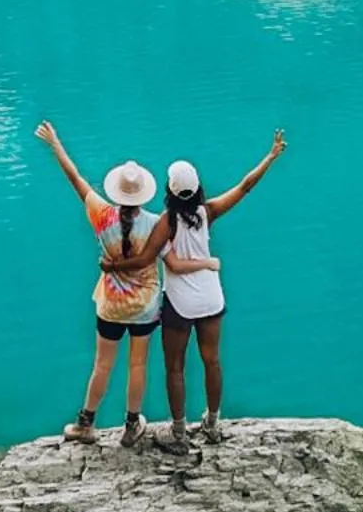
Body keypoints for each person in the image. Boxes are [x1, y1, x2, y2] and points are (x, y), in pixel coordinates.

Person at [34, 119, 216, 448]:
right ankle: (132, 426)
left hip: (110, 306)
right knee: (138, 364)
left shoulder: (101, 215)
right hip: (145, 309)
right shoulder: (157, 224)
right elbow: (170, 262)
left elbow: (74, 177)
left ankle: (85, 422)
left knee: (102, 364)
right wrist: (207, 264)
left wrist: (56, 144)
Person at [107, 129, 286, 450]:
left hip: (180, 303)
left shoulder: (167, 221)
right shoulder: (208, 212)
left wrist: (113, 267)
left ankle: (179, 433)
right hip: (212, 298)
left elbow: (146, 258)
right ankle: (213, 424)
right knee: (212, 361)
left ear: (169, 190)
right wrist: (270, 157)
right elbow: (245, 187)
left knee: (175, 367)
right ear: (198, 188)